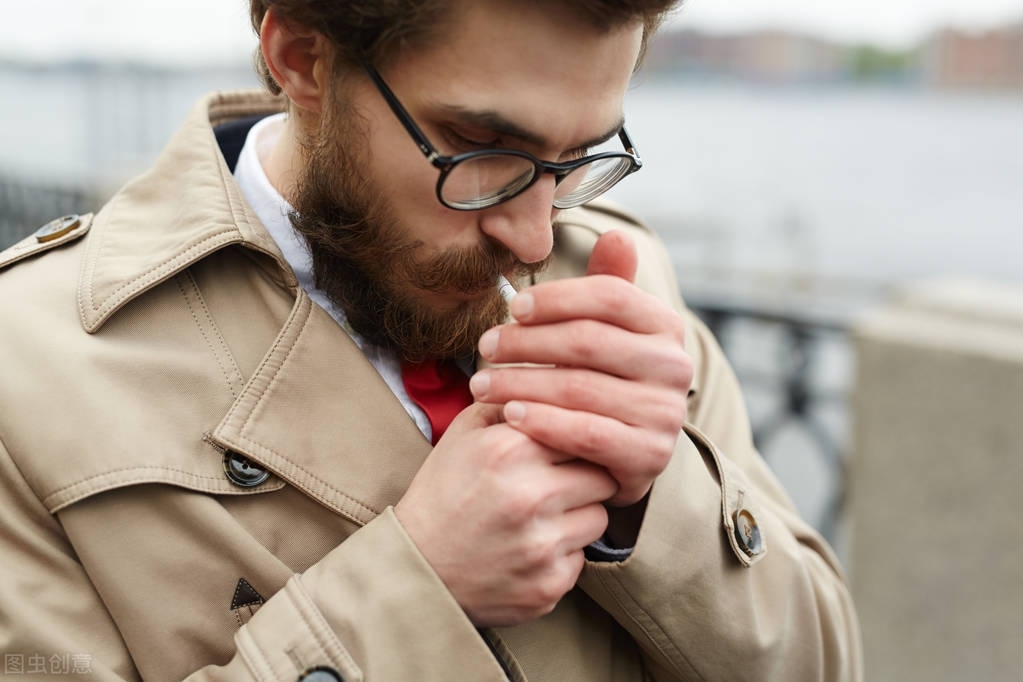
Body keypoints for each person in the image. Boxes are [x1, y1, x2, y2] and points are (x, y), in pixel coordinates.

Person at [0, 1, 862, 680]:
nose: (533, 239)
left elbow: (821, 666)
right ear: (301, 56)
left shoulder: (615, 278)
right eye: (481, 147)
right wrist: (421, 587)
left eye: (578, 157)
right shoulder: (27, 366)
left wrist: (654, 499)